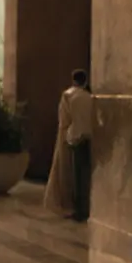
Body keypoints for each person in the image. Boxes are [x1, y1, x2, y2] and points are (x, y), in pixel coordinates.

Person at [45, 69, 94, 221]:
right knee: (85, 174)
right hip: (89, 136)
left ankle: (77, 207)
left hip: (73, 137)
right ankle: (86, 206)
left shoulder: (68, 95)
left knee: (73, 174)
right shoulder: (90, 97)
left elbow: (64, 120)